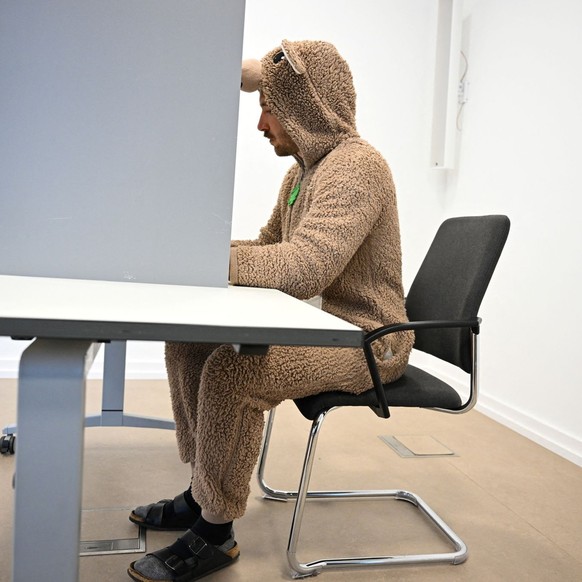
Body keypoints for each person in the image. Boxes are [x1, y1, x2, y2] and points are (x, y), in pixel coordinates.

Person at [127, 39, 414, 582]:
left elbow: (304, 269)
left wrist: (208, 261)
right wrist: (198, 254)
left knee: (235, 371)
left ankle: (215, 534)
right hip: (321, 328)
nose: (261, 123)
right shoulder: (303, 172)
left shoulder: (358, 167)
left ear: (305, 109)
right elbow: (267, 246)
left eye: (270, 108)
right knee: (190, 342)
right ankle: (202, 491)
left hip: (367, 339)